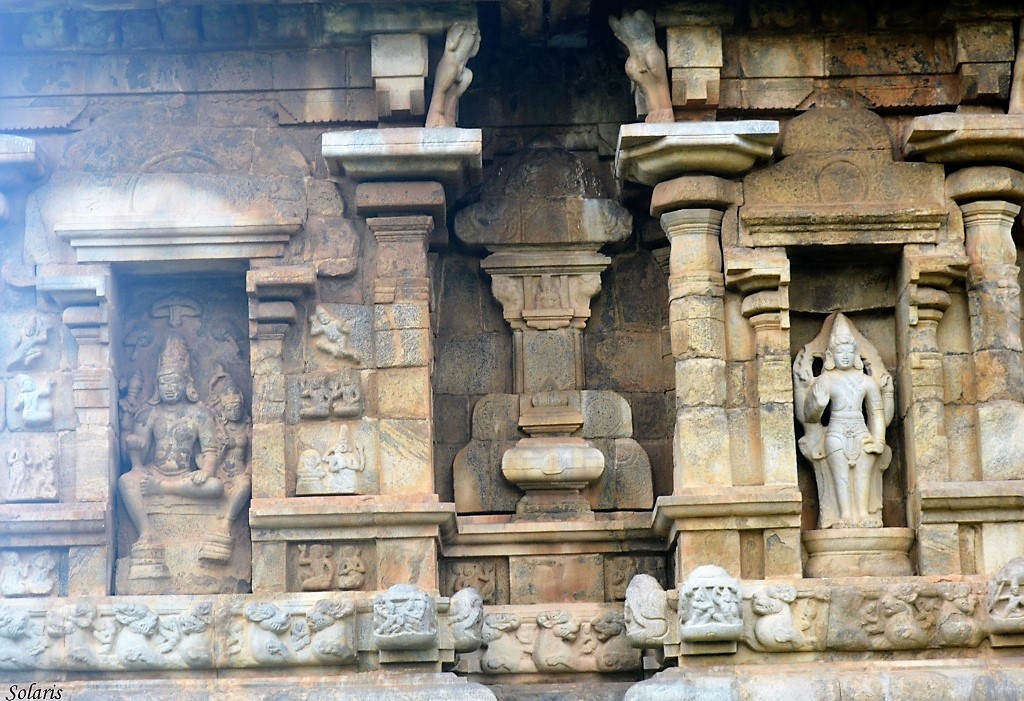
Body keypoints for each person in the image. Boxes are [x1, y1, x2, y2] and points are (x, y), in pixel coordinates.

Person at [119, 334, 223, 554]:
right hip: (154, 471)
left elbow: (210, 451)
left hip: (185, 476)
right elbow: (137, 456)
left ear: (187, 383)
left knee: (215, 486)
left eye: (175, 382)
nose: (169, 387)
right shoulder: (149, 413)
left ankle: (164, 488)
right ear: (157, 385)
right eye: (164, 382)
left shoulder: (200, 414)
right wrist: (134, 445)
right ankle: (146, 533)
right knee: (126, 481)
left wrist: (206, 471)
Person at [803, 315, 889, 527]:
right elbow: (810, 417)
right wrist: (818, 404)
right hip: (836, 432)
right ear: (830, 355)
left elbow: (877, 414)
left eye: (849, 351)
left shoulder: (867, 382)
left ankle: (864, 514)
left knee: (862, 475)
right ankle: (845, 515)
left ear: (856, 354)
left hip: (861, 432)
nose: (845, 356)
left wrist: (878, 440)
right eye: (840, 352)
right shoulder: (826, 380)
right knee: (840, 476)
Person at [425, 23, 481, 128]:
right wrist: (459, 31)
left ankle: (449, 116)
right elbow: (451, 45)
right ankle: (436, 117)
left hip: (460, 68)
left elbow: (473, 53)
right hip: (449, 65)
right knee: (440, 92)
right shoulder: (459, 29)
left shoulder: (473, 32)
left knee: (464, 80)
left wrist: (477, 38)